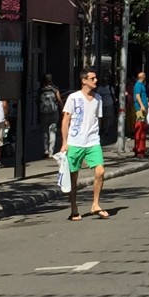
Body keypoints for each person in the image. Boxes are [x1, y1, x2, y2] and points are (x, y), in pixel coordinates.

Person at [59, 67, 107, 220]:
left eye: (95, 78)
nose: (96, 81)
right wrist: (64, 143)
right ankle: (74, 208)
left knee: (100, 172)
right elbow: (65, 120)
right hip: (75, 142)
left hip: (93, 142)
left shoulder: (98, 99)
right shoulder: (74, 98)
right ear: (84, 80)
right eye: (92, 78)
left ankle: (95, 204)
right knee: (73, 177)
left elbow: (98, 120)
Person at [38, 74, 62, 157]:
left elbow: (37, 101)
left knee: (44, 131)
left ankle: (45, 150)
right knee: (52, 131)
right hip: (54, 112)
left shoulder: (41, 89)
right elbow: (59, 100)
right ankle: (51, 151)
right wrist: (61, 109)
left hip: (44, 113)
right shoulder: (54, 88)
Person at [132, 69, 149, 157]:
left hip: (142, 107)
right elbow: (137, 96)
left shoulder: (141, 84)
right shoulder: (138, 85)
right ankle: (139, 148)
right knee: (140, 126)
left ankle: (140, 148)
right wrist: (142, 105)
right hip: (139, 109)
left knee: (142, 126)